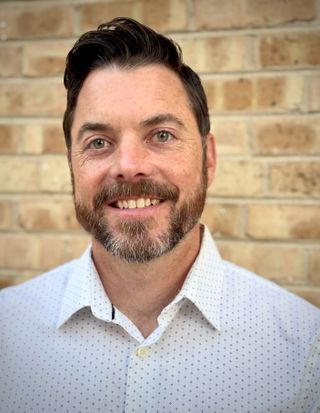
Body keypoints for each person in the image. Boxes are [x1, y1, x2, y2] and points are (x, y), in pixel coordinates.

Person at [1, 17, 319, 413]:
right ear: (71, 166)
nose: (129, 165)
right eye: (98, 142)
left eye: (162, 135)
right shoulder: (6, 336)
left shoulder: (306, 350)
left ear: (209, 159)